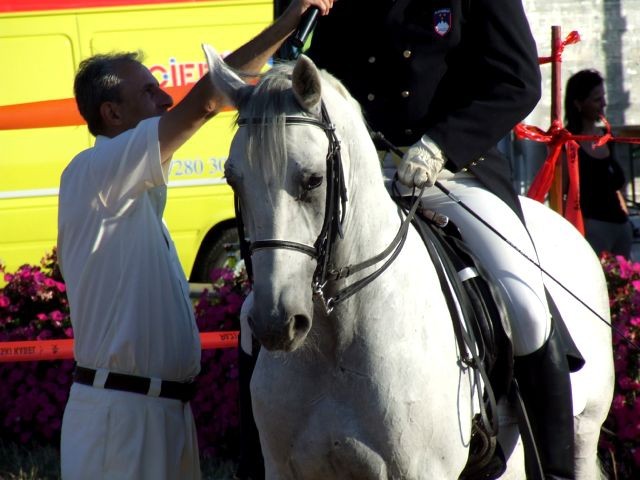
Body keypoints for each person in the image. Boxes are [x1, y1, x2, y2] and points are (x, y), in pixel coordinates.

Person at [56, 1, 334, 479]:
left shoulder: (128, 195)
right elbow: (206, 101)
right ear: (112, 112)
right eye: (151, 91)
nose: (165, 100)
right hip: (120, 420)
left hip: (158, 413)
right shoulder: (95, 172)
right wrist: (288, 23)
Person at [303, 1, 575, 479]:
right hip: (360, 177)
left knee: (528, 308)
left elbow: (518, 81)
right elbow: (313, 82)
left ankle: (554, 471)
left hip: (455, 172)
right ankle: (256, 460)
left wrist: (441, 146)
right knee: (261, 309)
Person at [565, 69, 633, 259]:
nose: (603, 104)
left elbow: (616, 187)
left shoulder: (606, 137)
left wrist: (627, 220)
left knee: (625, 286)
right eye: (596, 99)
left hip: (620, 226)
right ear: (579, 103)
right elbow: (563, 190)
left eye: (603, 97)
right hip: (592, 227)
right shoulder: (568, 141)